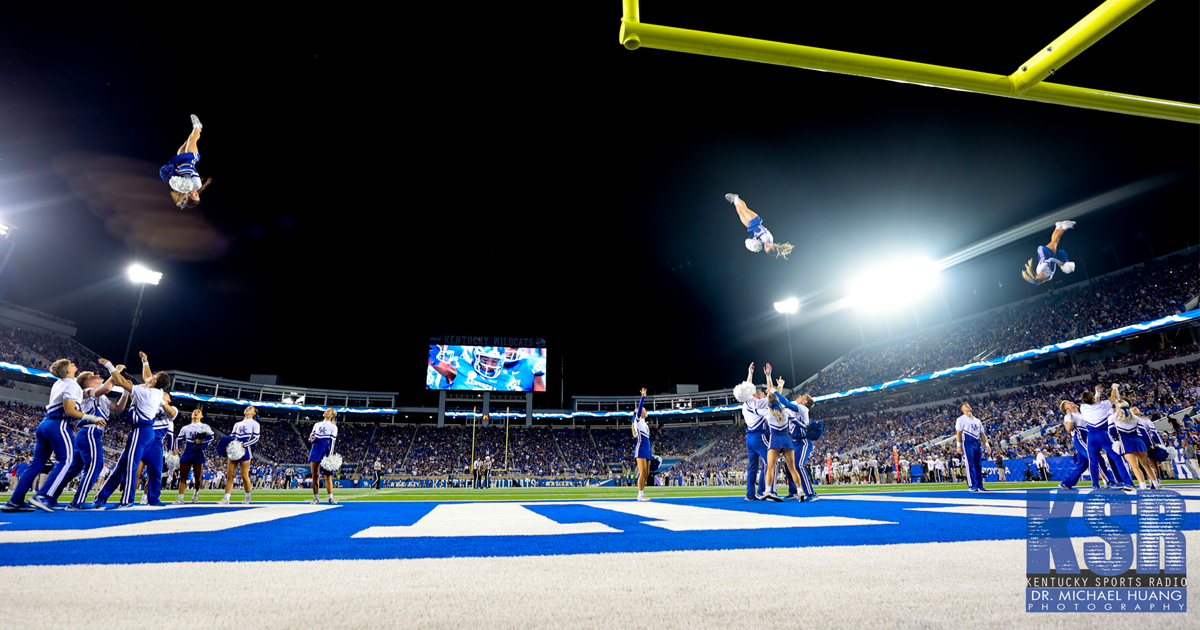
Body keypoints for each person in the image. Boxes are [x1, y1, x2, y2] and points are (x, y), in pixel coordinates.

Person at [2, 359, 103, 513]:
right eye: (71, 364)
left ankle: (15, 501)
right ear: (69, 371)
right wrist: (92, 418)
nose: (74, 364)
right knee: (67, 460)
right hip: (59, 424)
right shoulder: (72, 384)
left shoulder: (59, 383)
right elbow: (69, 410)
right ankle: (43, 496)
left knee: (36, 464)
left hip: (45, 424)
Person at [93, 352, 174, 509]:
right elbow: (148, 376)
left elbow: (121, 381)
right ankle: (101, 498)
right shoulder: (155, 390)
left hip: (141, 430)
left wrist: (110, 366)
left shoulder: (146, 391)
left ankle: (127, 500)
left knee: (130, 466)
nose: (149, 377)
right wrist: (145, 362)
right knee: (122, 467)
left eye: (153, 377)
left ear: (155, 381)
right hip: (145, 431)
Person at [58, 360, 130, 510]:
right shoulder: (88, 391)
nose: (98, 375)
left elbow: (119, 407)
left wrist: (125, 392)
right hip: (90, 430)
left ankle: (50, 496)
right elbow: (107, 388)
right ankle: (78, 502)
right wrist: (115, 370)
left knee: (73, 469)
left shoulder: (100, 395)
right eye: (93, 375)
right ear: (87, 381)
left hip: (87, 433)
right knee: (95, 466)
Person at [760, 368, 806, 502]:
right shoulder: (786, 411)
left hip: (774, 441)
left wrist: (768, 377)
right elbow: (798, 423)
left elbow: (772, 395)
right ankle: (800, 492)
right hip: (787, 441)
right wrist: (807, 427)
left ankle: (768, 491)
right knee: (792, 469)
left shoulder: (767, 413)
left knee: (770, 467)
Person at [1079, 383, 1134, 490]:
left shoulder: (1083, 407)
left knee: (1093, 461)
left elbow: (1095, 402)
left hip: (1091, 436)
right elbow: (1113, 398)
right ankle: (1128, 482)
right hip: (1104, 434)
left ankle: (1095, 484)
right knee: (1117, 458)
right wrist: (1114, 387)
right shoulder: (1103, 405)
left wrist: (1097, 393)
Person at [159, 115, 212, 209]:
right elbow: (192, 171)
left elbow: (175, 176)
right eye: (198, 195)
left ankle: (195, 129)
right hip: (190, 160)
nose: (196, 194)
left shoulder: (181, 188)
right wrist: (181, 172)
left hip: (181, 162)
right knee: (192, 140)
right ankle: (197, 126)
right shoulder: (197, 185)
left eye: (194, 196)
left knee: (187, 142)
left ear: (187, 196)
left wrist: (175, 172)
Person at [734, 363, 770, 501]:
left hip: (749, 438)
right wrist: (768, 376)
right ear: (754, 395)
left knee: (752, 467)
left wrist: (750, 373)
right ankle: (762, 491)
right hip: (759, 436)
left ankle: (750, 494)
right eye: (757, 392)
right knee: (769, 463)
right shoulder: (757, 403)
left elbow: (746, 388)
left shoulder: (745, 404)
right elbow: (772, 394)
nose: (758, 392)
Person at [724, 194, 794, 259]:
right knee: (744, 209)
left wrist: (750, 241)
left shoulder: (762, 247)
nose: (766, 245)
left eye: (766, 248)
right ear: (773, 245)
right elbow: (760, 231)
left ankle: (734, 201)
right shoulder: (769, 238)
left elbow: (753, 236)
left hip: (750, 227)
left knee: (740, 213)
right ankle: (736, 197)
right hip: (755, 221)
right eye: (768, 246)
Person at [220, 406, 261, 505]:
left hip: (245, 450)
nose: (247, 409)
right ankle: (226, 498)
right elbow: (232, 436)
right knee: (230, 475)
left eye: (250, 409)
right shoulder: (237, 424)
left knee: (244, 475)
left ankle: (248, 497)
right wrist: (227, 442)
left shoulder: (255, 424)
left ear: (254, 413)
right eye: (247, 408)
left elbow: (256, 438)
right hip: (234, 450)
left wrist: (243, 445)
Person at [175, 408, 214, 504]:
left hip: (198, 452)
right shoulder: (185, 428)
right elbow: (177, 439)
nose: (195, 413)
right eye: (194, 412)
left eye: (198, 412)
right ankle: (180, 498)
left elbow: (211, 438)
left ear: (202, 416)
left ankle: (196, 493)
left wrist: (202, 441)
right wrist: (176, 448)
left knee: (198, 478)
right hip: (187, 452)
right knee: (183, 476)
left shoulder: (205, 426)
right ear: (191, 415)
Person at [783, 393, 817, 501]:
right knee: (788, 465)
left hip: (803, 441)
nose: (800, 395)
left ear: (805, 401)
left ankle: (811, 493)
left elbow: (786, 403)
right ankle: (793, 492)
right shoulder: (795, 408)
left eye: (803, 396)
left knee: (798, 465)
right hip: (795, 442)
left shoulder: (802, 408)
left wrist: (775, 391)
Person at [955, 403, 991, 492]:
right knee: (970, 464)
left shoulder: (977, 420)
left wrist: (987, 444)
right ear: (962, 409)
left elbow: (982, 433)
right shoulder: (960, 419)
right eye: (965, 405)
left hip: (977, 443)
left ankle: (980, 485)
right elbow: (958, 433)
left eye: (968, 405)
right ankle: (972, 485)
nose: (968, 406)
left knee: (978, 464)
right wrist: (958, 445)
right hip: (967, 443)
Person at [1056, 400, 1089, 490]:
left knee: (1082, 466)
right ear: (1067, 408)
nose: (1072, 403)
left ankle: (1066, 483)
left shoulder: (1082, 414)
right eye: (1069, 403)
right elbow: (1068, 428)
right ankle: (1110, 480)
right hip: (1081, 440)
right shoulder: (1069, 416)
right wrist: (1070, 416)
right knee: (1095, 457)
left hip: (1088, 439)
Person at [308, 408, 338, 505]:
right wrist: (311, 439)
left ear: (332, 415)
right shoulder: (317, 424)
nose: (326, 412)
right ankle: (316, 498)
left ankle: (331, 498)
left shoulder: (334, 427)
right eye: (326, 410)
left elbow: (332, 442)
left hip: (326, 449)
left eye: (329, 411)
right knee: (315, 475)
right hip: (316, 448)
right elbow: (311, 436)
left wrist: (330, 456)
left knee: (327, 476)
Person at [631, 388, 653, 502]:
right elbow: (638, 410)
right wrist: (643, 398)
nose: (645, 411)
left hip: (648, 447)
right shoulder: (638, 420)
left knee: (647, 473)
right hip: (641, 447)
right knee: (642, 472)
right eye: (644, 410)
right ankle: (639, 495)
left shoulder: (644, 423)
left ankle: (643, 493)